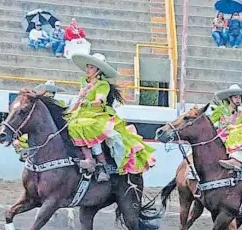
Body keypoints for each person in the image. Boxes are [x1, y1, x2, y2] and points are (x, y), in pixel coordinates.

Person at [67, 53, 156, 182]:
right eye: (87, 67)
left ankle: (99, 163)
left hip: (97, 115)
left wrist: (86, 102)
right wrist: (77, 104)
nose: (87, 70)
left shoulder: (103, 85)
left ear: (98, 70)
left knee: (85, 128)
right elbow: (80, 98)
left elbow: (100, 100)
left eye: (90, 67)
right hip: (81, 112)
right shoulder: (83, 82)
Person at [12, 80, 66, 156]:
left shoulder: (60, 103)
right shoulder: (37, 104)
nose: (50, 94)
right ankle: (24, 150)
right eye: (48, 91)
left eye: (52, 92)